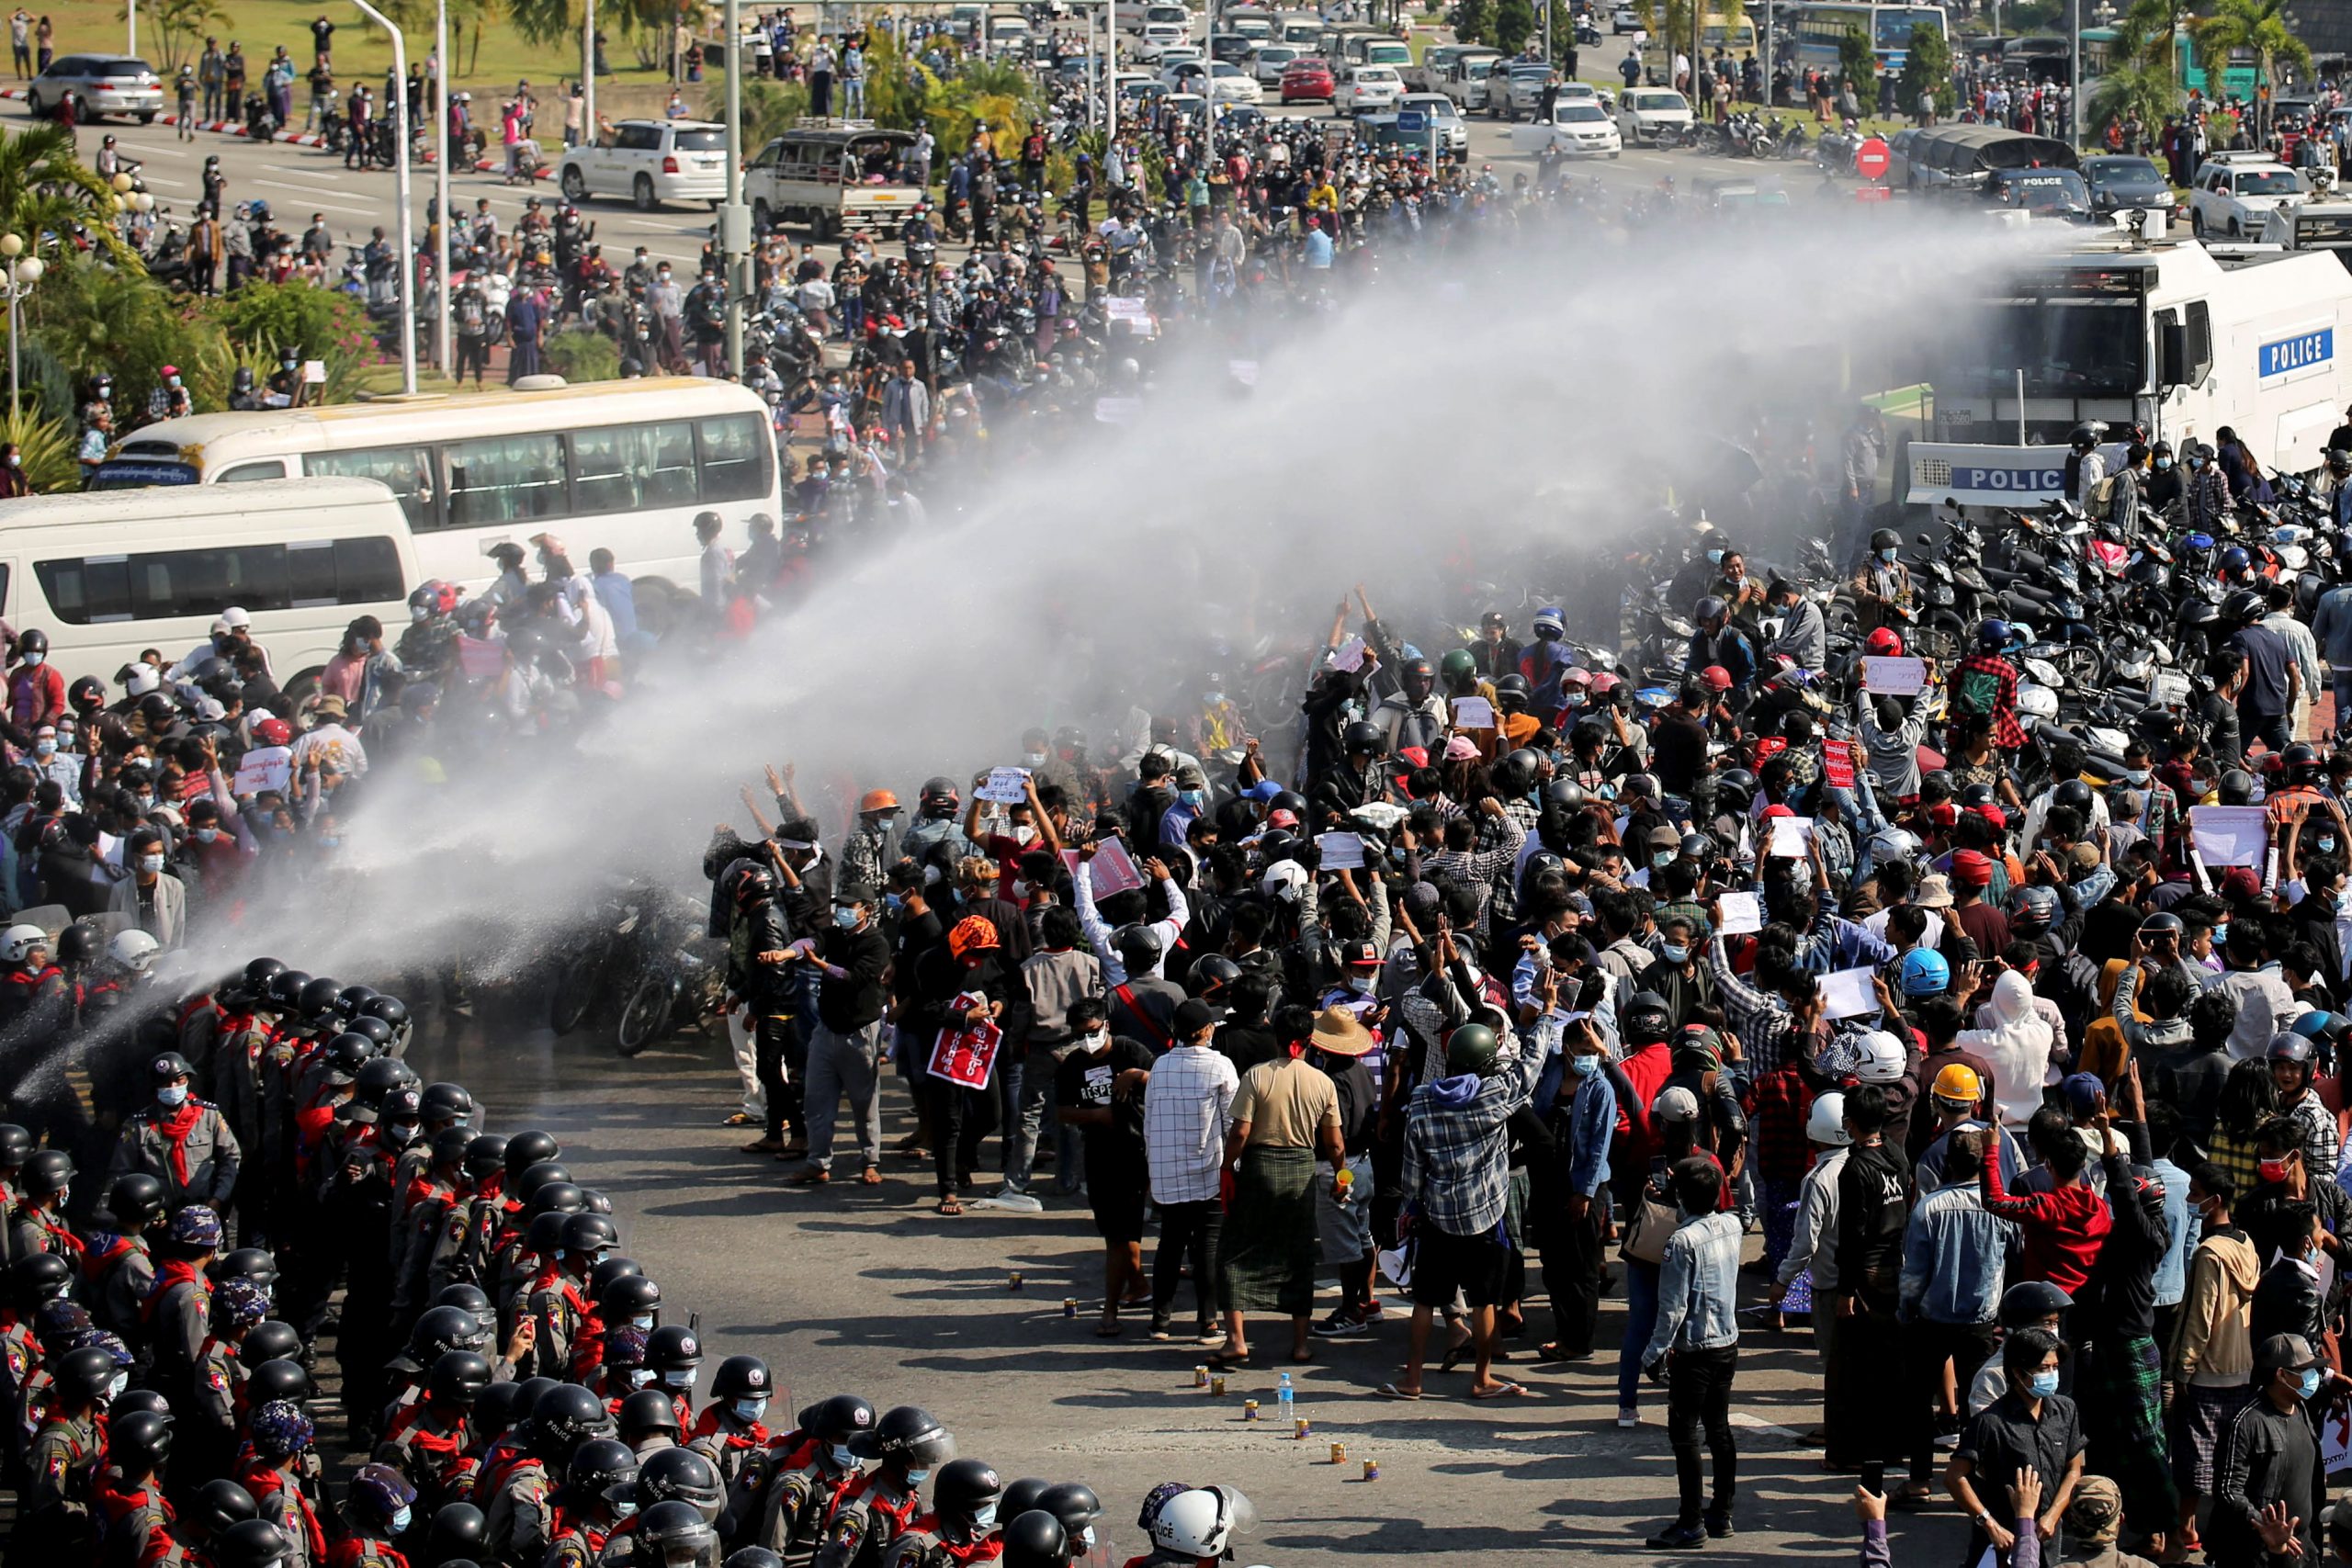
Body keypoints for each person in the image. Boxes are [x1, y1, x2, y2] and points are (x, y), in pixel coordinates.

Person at [1211, 1006, 1342, 1368]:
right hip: (1301, 1170)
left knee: (1237, 1251)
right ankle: (1300, 1343)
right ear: (1309, 1040)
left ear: (1277, 1037)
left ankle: (1236, 1339)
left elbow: (1240, 1131)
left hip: (1259, 1168)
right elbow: (1334, 1145)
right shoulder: (1322, 1081)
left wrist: (1226, 1166)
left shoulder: (1256, 1076)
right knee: (1298, 1255)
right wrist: (1340, 1176)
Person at [1640, 1153, 1745, 1549]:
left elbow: (1673, 1307)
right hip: (1726, 1342)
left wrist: (1653, 1354)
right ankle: (1722, 1511)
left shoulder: (1680, 1242)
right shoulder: (1731, 1225)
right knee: (1719, 1427)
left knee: (1684, 1435)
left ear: (1682, 1195)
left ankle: (1690, 1520)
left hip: (1694, 1348)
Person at [1143, 998, 1238, 1342]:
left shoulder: (1160, 1067)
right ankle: (1208, 1323)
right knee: (1208, 1248)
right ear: (1206, 1031)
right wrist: (1234, 1166)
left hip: (1168, 1171)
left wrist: (1155, 1167)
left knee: (1169, 1244)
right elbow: (1233, 1122)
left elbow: (1149, 1121)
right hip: (1208, 1169)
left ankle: (1160, 1322)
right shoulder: (1220, 1066)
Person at [786, 883, 892, 1188]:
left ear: (867, 910)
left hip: (860, 1032)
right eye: (840, 906)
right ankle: (817, 1162)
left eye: (850, 906)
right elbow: (811, 941)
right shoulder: (834, 935)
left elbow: (852, 978)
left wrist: (820, 965)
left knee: (864, 1103)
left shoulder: (877, 944)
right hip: (827, 1029)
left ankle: (869, 1161)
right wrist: (786, 953)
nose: (843, 912)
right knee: (817, 1100)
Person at [2207, 1333, 2328, 1565]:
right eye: (2305, 1371)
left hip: (2301, 1547)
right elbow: (2228, 1491)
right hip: (2259, 1553)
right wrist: (2266, 1527)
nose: (2313, 1377)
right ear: (2281, 1375)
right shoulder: (2245, 1423)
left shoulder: (2299, 1407)